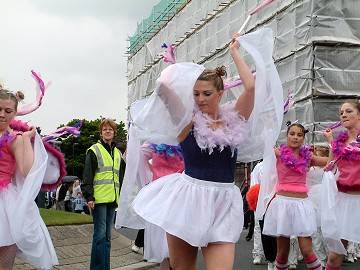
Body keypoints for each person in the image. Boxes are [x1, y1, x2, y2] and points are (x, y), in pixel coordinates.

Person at [123, 28, 284, 270]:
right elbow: (164, 89)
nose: (200, 99)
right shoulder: (186, 121)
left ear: (221, 93)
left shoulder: (236, 118)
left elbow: (251, 88)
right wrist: (178, 69)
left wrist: (234, 52)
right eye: (195, 93)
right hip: (188, 200)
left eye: (207, 93)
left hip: (223, 200)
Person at [0, 87, 58, 269]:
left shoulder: (15, 139)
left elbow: (26, 170)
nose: (2, 114)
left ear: (15, 113)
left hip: (5, 203)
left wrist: (25, 140)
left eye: (8, 111)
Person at [262, 123, 328, 270]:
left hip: (302, 205)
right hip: (282, 204)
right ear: (287, 136)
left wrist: (331, 142)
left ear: (303, 138)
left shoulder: (308, 156)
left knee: (307, 250)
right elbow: (262, 148)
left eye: (299, 135)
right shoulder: (278, 153)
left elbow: (330, 163)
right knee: (283, 253)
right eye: (292, 134)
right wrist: (267, 127)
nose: (295, 137)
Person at [321, 100, 360, 270]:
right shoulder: (340, 142)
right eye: (341, 112)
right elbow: (329, 168)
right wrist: (331, 143)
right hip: (344, 201)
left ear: (359, 114)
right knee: (335, 255)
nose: (343, 114)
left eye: (348, 111)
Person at [82, 118, 125, 270]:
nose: (108, 131)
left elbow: (121, 175)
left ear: (114, 133)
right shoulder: (94, 150)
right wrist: (89, 196)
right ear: (101, 133)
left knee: (107, 237)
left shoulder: (118, 153)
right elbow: (87, 175)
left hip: (112, 200)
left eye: (110, 129)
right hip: (98, 200)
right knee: (99, 236)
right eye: (105, 129)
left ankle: (105, 267)